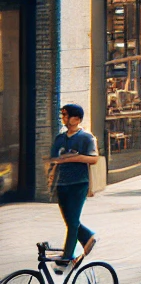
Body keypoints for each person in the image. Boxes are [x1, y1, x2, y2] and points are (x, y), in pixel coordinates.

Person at [46, 104, 99, 266]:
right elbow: (55, 159)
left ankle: (68, 255)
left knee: (73, 220)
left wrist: (74, 158)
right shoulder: (60, 138)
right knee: (70, 219)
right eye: (62, 115)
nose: (63, 118)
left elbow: (94, 159)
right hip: (62, 184)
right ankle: (88, 236)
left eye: (66, 115)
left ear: (77, 119)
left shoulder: (86, 137)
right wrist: (51, 176)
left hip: (78, 183)